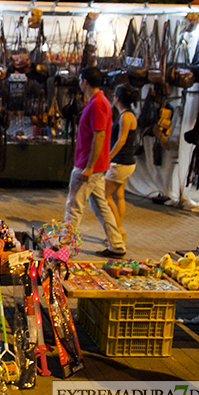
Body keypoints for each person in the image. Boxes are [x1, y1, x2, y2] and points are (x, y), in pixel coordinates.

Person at [63, 67, 126, 257]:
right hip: (95, 166)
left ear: (85, 81)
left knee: (74, 206)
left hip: (88, 165)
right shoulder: (100, 102)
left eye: (80, 80)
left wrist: (89, 166)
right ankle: (117, 244)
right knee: (100, 207)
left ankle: (65, 248)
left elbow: (100, 136)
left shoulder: (98, 104)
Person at [105, 84, 140, 243]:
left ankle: (117, 230)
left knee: (105, 196)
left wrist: (109, 156)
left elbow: (122, 140)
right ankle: (120, 231)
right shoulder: (128, 115)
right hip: (126, 162)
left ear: (118, 98)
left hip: (121, 162)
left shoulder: (126, 116)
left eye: (114, 96)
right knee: (119, 196)